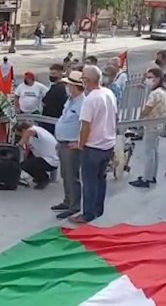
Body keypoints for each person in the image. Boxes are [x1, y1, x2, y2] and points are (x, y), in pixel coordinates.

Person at [70, 65, 117, 224]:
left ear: (87, 80)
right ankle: (98, 209)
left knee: (89, 182)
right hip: (108, 144)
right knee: (100, 179)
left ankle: (88, 214)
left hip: (93, 147)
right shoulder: (108, 93)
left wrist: (80, 144)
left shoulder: (90, 99)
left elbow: (86, 126)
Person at [129, 68, 166, 188]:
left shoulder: (154, 93)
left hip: (151, 125)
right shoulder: (164, 91)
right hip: (158, 125)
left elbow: (147, 109)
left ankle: (146, 178)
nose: (148, 80)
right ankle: (152, 176)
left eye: (150, 77)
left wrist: (139, 118)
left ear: (158, 79)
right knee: (154, 151)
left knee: (148, 153)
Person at [52, 73, 85, 219]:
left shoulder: (83, 103)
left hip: (72, 144)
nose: (67, 87)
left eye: (69, 85)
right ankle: (67, 200)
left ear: (76, 86)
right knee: (65, 174)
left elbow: (85, 124)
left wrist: (79, 141)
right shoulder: (70, 101)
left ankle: (74, 205)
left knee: (72, 176)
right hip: (63, 142)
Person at [16, 122, 59, 189]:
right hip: (47, 158)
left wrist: (20, 144)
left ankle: (44, 179)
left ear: (23, 131)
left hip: (51, 160)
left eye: (20, 135)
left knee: (26, 165)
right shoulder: (35, 134)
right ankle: (39, 177)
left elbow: (29, 131)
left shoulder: (35, 130)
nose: (21, 137)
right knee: (26, 163)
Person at [41, 65, 69, 134]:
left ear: (60, 74)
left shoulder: (59, 88)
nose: (51, 76)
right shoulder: (54, 86)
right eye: (50, 73)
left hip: (51, 121)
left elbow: (44, 102)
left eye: (53, 74)